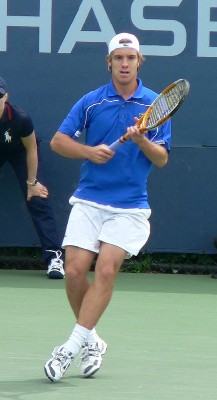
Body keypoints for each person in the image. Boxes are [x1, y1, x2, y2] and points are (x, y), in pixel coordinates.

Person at [44, 32, 171, 381]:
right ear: (110, 63)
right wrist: (89, 151)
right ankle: (92, 340)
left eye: (131, 58)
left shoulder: (154, 106)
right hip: (89, 199)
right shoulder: (91, 102)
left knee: (106, 269)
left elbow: (160, 160)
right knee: (73, 271)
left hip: (129, 207)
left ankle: (69, 346)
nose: (125, 64)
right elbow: (57, 142)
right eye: (119, 58)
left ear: (138, 62)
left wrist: (142, 138)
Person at [0, 77, 65, 279]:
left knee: (37, 198)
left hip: (22, 152)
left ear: (6, 96)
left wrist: (32, 183)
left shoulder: (20, 118)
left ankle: (54, 258)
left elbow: (31, 148)